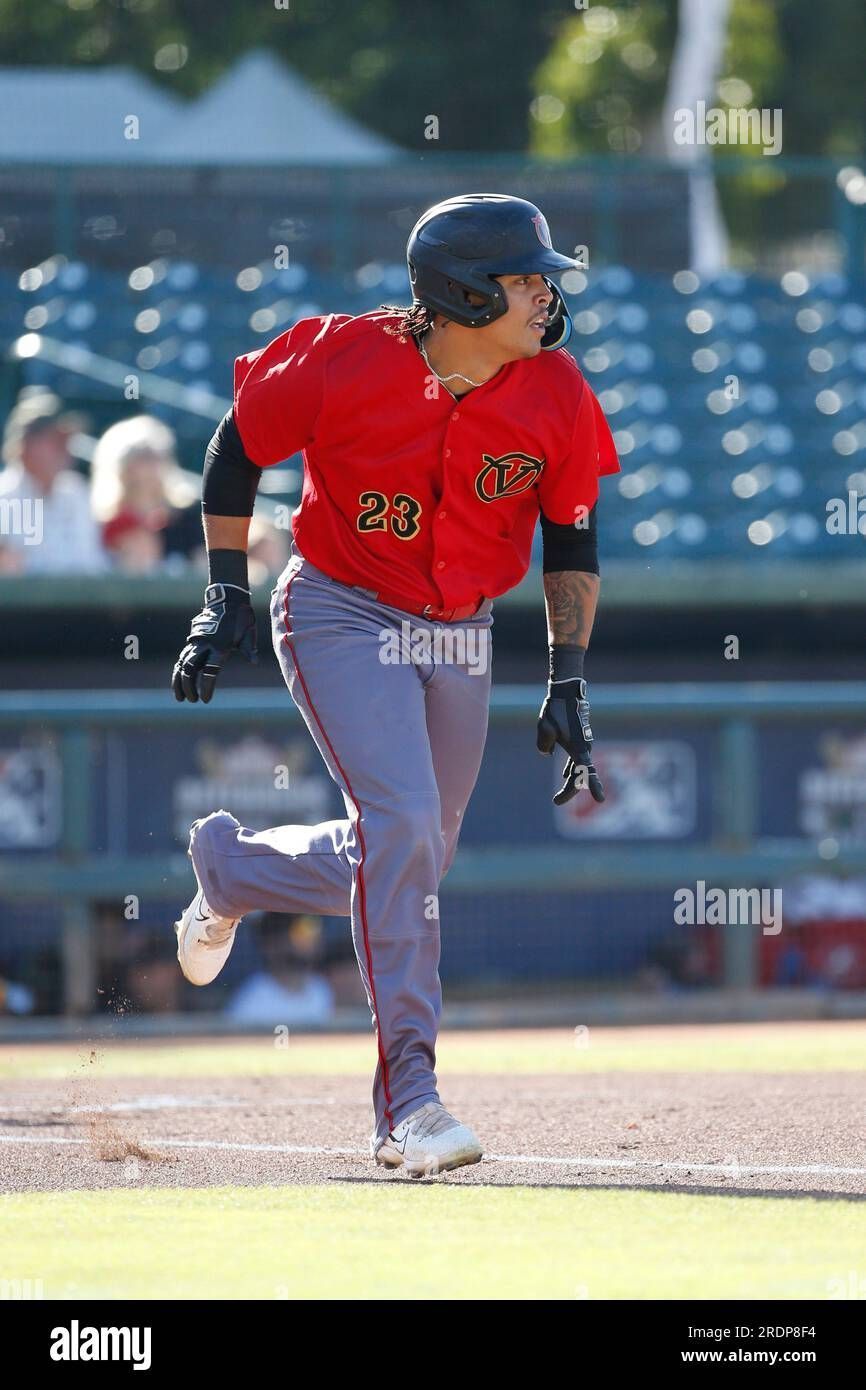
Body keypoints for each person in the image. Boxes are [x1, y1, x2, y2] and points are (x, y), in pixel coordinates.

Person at [170, 194, 620, 1177]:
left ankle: (233, 872)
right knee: (404, 829)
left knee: (417, 850)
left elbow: (572, 536)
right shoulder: (340, 356)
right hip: (341, 606)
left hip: (460, 627)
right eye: (522, 276)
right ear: (460, 292)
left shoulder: (553, 388)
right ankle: (406, 1102)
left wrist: (567, 675)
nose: (545, 290)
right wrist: (221, 592)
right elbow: (237, 446)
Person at [0, 389, 105, 573]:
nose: (64, 448)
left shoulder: (76, 491)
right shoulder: (5, 495)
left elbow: (92, 562)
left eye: (66, 440)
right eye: (55, 439)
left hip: (80, 600)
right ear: (25, 444)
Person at [90, 414, 204, 571]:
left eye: (160, 457)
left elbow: (204, 570)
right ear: (123, 467)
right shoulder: (104, 523)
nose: (154, 465)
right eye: (144, 457)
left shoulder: (188, 519)